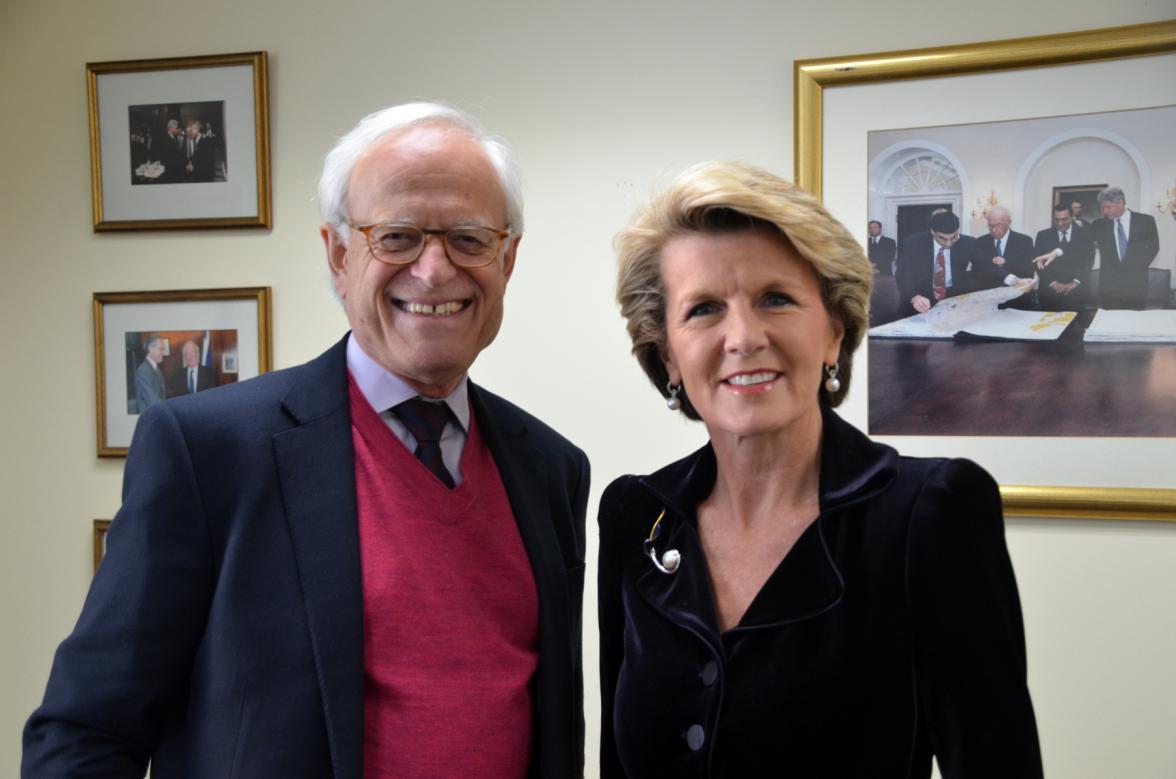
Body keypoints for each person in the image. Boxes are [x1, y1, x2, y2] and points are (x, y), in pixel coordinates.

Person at [24, 102, 589, 778]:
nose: (435, 270)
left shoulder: (552, 469)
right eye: (399, 236)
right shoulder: (209, 452)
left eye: (469, 238)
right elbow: (83, 733)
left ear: (509, 258)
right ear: (339, 253)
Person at [600, 161, 1042, 777]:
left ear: (834, 330)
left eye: (775, 299)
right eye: (703, 309)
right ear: (667, 353)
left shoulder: (930, 510)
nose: (743, 337)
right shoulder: (637, 515)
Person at [894, 210, 978, 317]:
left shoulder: (969, 243)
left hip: (954, 300)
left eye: (953, 237)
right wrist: (914, 297)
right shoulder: (913, 243)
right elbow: (902, 274)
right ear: (932, 231)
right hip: (921, 299)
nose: (949, 243)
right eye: (942, 238)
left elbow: (981, 269)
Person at [1089, 186, 1160, 309]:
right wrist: (1057, 252)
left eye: (1108, 207)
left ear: (1120, 203)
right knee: (1110, 325)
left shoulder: (1145, 221)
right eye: (1103, 207)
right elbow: (1080, 244)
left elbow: (1154, 247)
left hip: (1136, 286)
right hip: (1108, 288)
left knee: (1134, 324)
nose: (1105, 211)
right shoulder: (1098, 225)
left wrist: (1136, 266)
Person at [1033, 202, 1095, 310]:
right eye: (1057, 219)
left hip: (1077, 292)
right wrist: (1053, 283)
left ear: (1072, 217)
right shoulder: (1043, 235)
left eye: (1064, 219)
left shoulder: (1085, 234)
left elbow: (1088, 261)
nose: (1060, 223)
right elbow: (1038, 263)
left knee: (1076, 325)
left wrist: (1075, 282)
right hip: (1049, 293)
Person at [972, 205, 1036, 295]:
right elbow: (977, 270)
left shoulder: (1024, 241)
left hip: (1016, 295)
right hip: (989, 297)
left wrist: (1006, 262)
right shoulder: (980, 242)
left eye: (997, 225)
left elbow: (1028, 270)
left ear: (1009, 222)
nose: (993, 230)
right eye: (990, 226)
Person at [133, 334, 166, 412]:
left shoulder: (157, 369)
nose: (163, 352)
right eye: (161, 349)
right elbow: (153, 401)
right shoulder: (143, 370)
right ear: (151, 349)